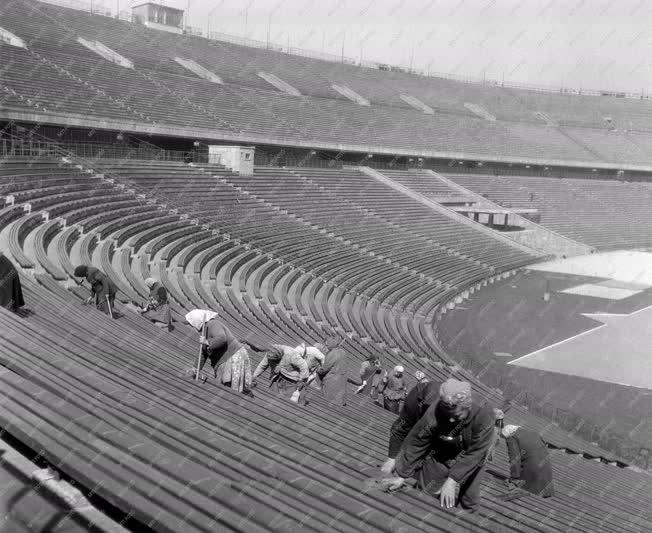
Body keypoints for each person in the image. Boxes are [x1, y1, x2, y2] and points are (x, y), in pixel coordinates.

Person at [381, 379, 495, 513]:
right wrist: (402, 475)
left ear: (467, 407)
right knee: (428, 491)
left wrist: (452, 480)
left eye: (457, 415)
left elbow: (477, 452)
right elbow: (417, 440)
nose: (452, 420)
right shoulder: (437, 409)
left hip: (474, 453)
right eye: (449, 415)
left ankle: (465, 520)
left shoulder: (484, 413)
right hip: (444, 447)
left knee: (469, 497)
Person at [185, 309, 253, 394]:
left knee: (233, 390)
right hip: (224, 361)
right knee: (227, 389)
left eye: (192, 325)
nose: (192, 327)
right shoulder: (204, 332)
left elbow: (221, 338)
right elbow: (203, 353)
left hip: (232, 357)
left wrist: (206, 342)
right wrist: (195, 369)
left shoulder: (213, 324)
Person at [380, 380, 440, 474]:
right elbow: (400, 430)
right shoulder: (415, 400)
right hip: (419, 403)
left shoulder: (455, 411)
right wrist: (391, 459)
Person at [497, 417, 555, 498]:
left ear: (507, 434)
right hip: (546, 476)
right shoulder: (533, 433)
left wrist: (514, 478)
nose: (506, 440)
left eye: (504, 438)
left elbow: (515, 459)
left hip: (532, 473)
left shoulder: (512, 437)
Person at [314, 336, 348, 406]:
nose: (326, 346)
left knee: (329, 402)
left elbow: (324, 370)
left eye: (327, 344)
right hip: (342, 380)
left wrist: (318, 370)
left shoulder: (332, 354)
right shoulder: (343, 352)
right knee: (338, 400)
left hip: (332, 381)